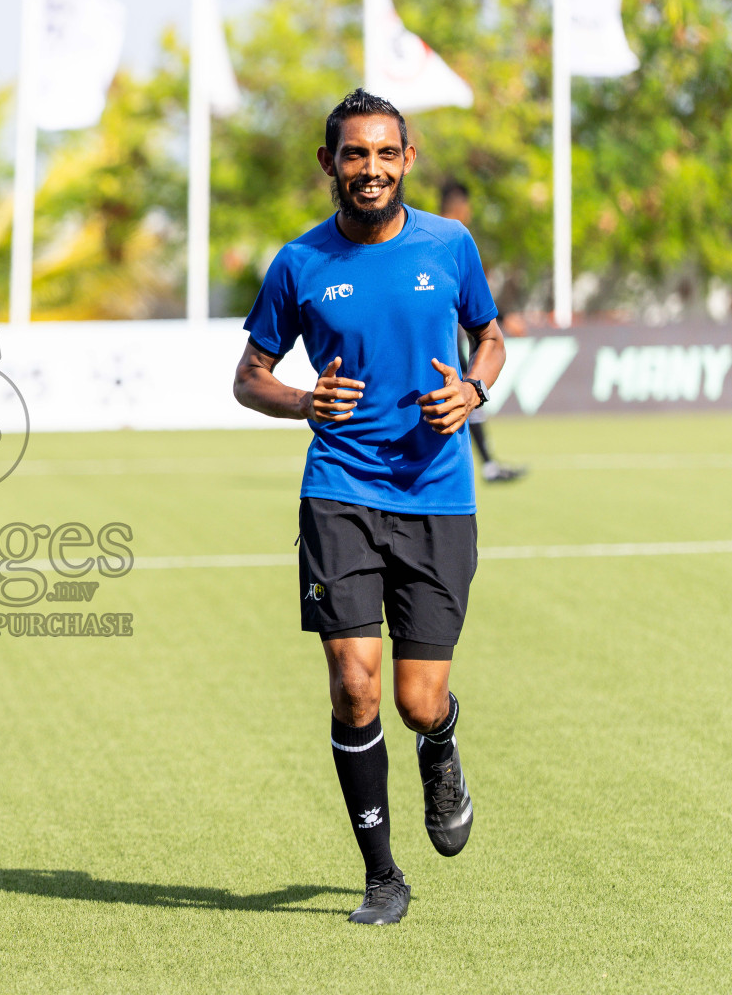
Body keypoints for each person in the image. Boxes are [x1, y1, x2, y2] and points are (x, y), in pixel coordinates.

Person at [233, 90, 506, 925]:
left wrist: (475, 387)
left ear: (408, 159)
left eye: (386, 153)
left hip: (436, 498)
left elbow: (490, 335)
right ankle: (382, 875)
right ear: (330, 164)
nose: (372, 169)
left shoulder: (450, 245)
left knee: (418, 701)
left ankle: (442, 742)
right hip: (339, 495)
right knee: (355, 688)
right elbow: (249, 377)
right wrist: (302, 403)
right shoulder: (298, 264)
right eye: (355, 154)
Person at [439, 180, 525, 483]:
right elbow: (473, 296)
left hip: (450, 335)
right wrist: (505, 315)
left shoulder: (429, 234)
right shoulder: (451, 238)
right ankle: (477, 466)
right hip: (446, 338)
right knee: (463, 394)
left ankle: (487, 463)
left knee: (464, 395)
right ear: (460, 207)